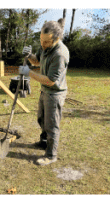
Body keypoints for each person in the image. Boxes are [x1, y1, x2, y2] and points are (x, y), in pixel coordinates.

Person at [20, 18, 70, 166]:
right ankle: (43, 142)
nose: (42, 44)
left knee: (51, 125)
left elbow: (51, 81)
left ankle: (51, 155)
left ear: (56, 39)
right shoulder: (44, 46)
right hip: (45, 90)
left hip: (55, 93)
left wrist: (29, 73)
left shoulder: (60, 54)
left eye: (46, 42)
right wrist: (29, 56)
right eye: (41, 40)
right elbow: (37, 61)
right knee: (41, 119)